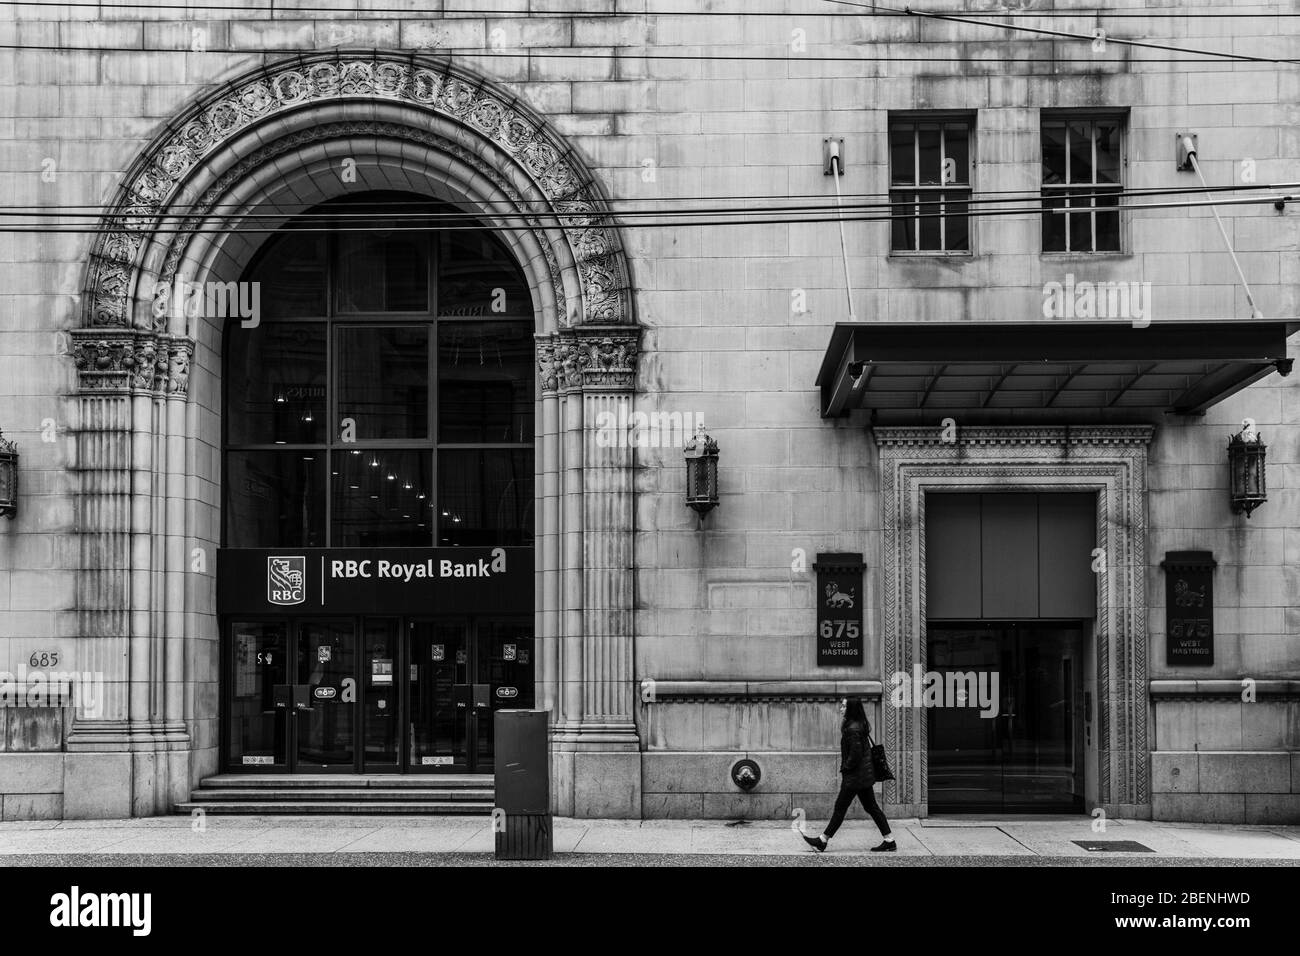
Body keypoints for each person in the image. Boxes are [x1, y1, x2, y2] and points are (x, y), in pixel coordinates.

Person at [803, 697, 895, 853]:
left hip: (855, 777)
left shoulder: (852, 729)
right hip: (862, 776)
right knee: (871, 807)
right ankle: (889, 840)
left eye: (844, 706)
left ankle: (823, 840)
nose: (841, 708)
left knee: (840, 808)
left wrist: (846, 768)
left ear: (851, 709)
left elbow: (856, 754)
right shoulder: (859, 725)